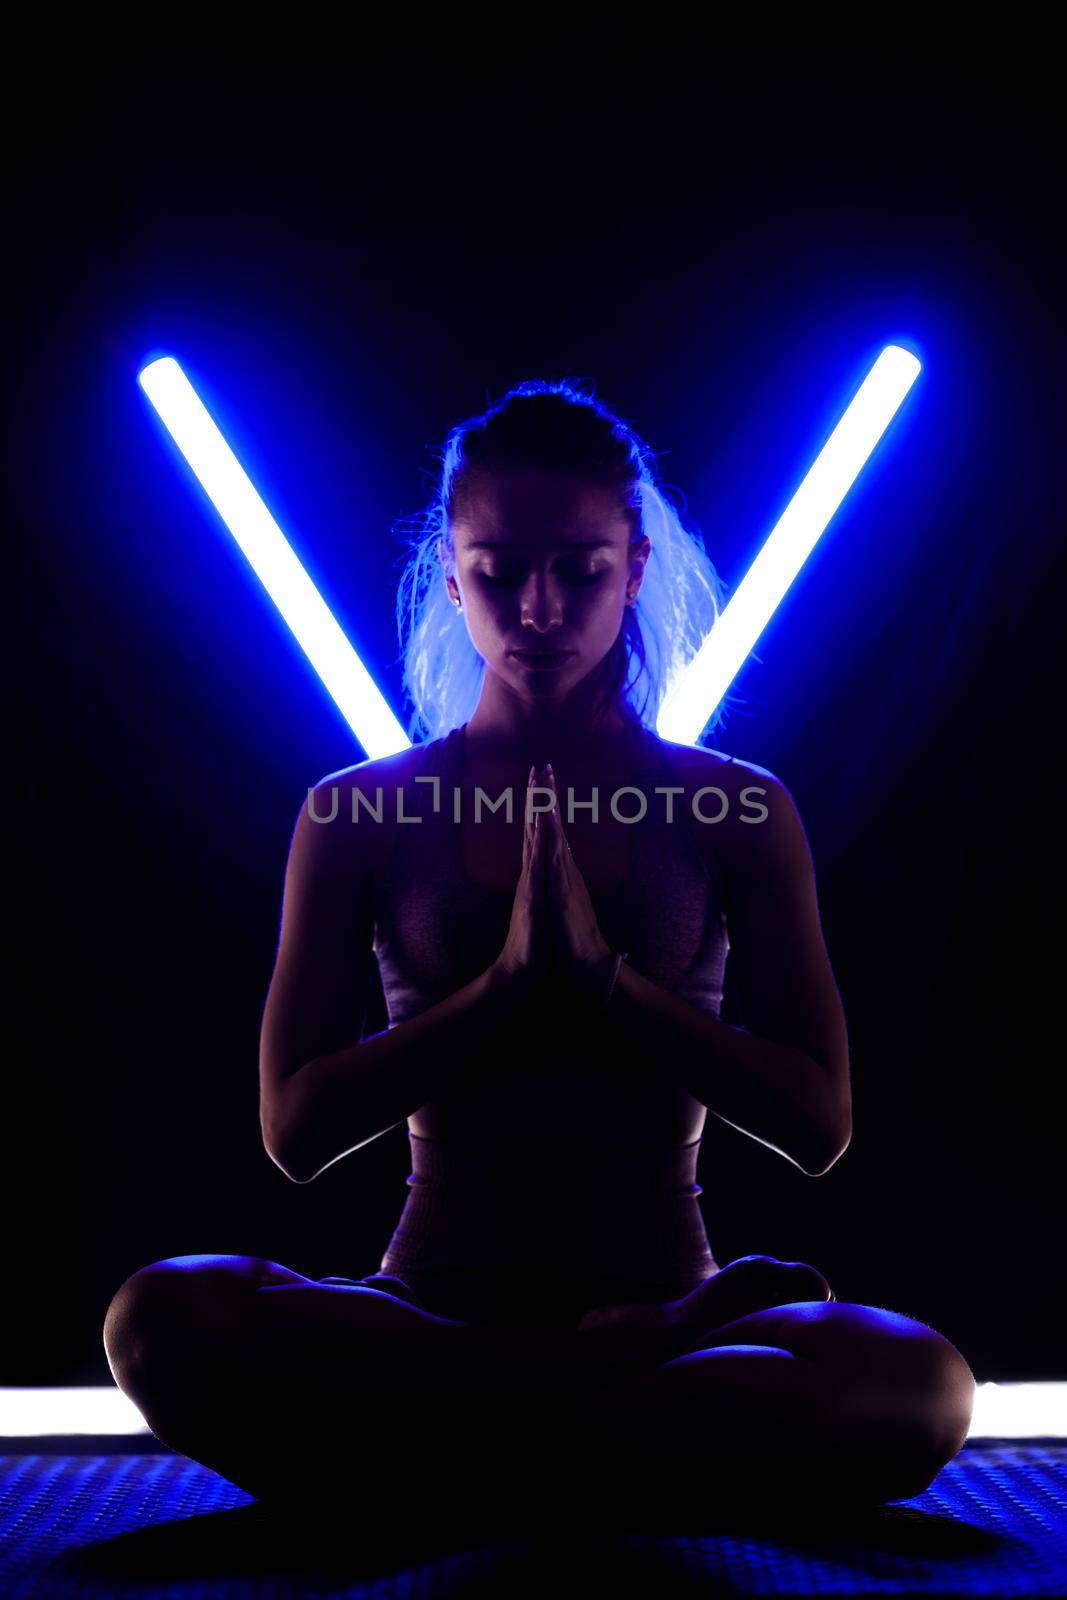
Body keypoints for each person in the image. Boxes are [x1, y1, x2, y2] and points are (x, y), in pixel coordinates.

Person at [103, 379, 975, 1531]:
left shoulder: (738, 812)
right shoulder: (354, 813)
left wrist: (609, 987)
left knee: (920, 1384)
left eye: (580, 569)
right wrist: (502, 990)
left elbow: (818, 1125)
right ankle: (599, 1415)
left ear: (638, 564)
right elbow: (294, 1131)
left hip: (662, 1303)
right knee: (158, 1317)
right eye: (501, 571)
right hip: (430, 1319)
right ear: (452, 573)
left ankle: (464, 1458)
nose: (539, 607)